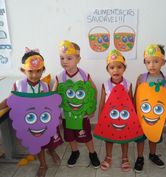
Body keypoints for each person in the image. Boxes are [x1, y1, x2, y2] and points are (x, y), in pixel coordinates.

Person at [0, 48, 63, 177]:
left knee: (50, 139)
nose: (35, 75)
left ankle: (51, 151)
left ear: (43, 69)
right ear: (23, 70)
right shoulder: (19, 85)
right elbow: (11, 100)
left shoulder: (45, 86)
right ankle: (43, 164)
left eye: (38, 71)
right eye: (30, 71)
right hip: (31, 122)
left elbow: (49, 103)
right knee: (38, 143)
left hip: (44, 120)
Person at [52, 40, 100, 168]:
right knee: (70, 136)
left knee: (86, 136)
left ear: (78, 59)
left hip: (82, 115)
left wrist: (91, 109)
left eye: (69, 58)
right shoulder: (59, 77)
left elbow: (93, 90)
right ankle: (75, 152)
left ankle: (92, 153)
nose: (64, 61)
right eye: (62, 58)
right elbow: (53, 96)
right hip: (66, 116)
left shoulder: (84, 75)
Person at [134, 44, 166, 173]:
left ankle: (152, 155)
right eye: (148, 62)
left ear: (163, 62)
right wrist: (134, 113)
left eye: (156, 61)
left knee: (154, 135)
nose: (152, 65)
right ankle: (139, 157)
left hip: (156, 116)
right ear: (145, 63)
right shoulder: (141, 78)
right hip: (142, 115)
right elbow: (136, 97)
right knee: (140, 138)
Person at [98, 49, 132, 172]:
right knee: (109, 138)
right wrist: (100, 117)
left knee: (125, 138)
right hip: (109, 118)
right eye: (112, 67)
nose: (115, 70)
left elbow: (131, 102)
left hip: (124, 117)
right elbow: (102, 102)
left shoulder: (128, 84)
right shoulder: (105, 85)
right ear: (108, 70)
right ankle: (108, 157)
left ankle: (125, 157)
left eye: (119, 67)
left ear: (124, 68)